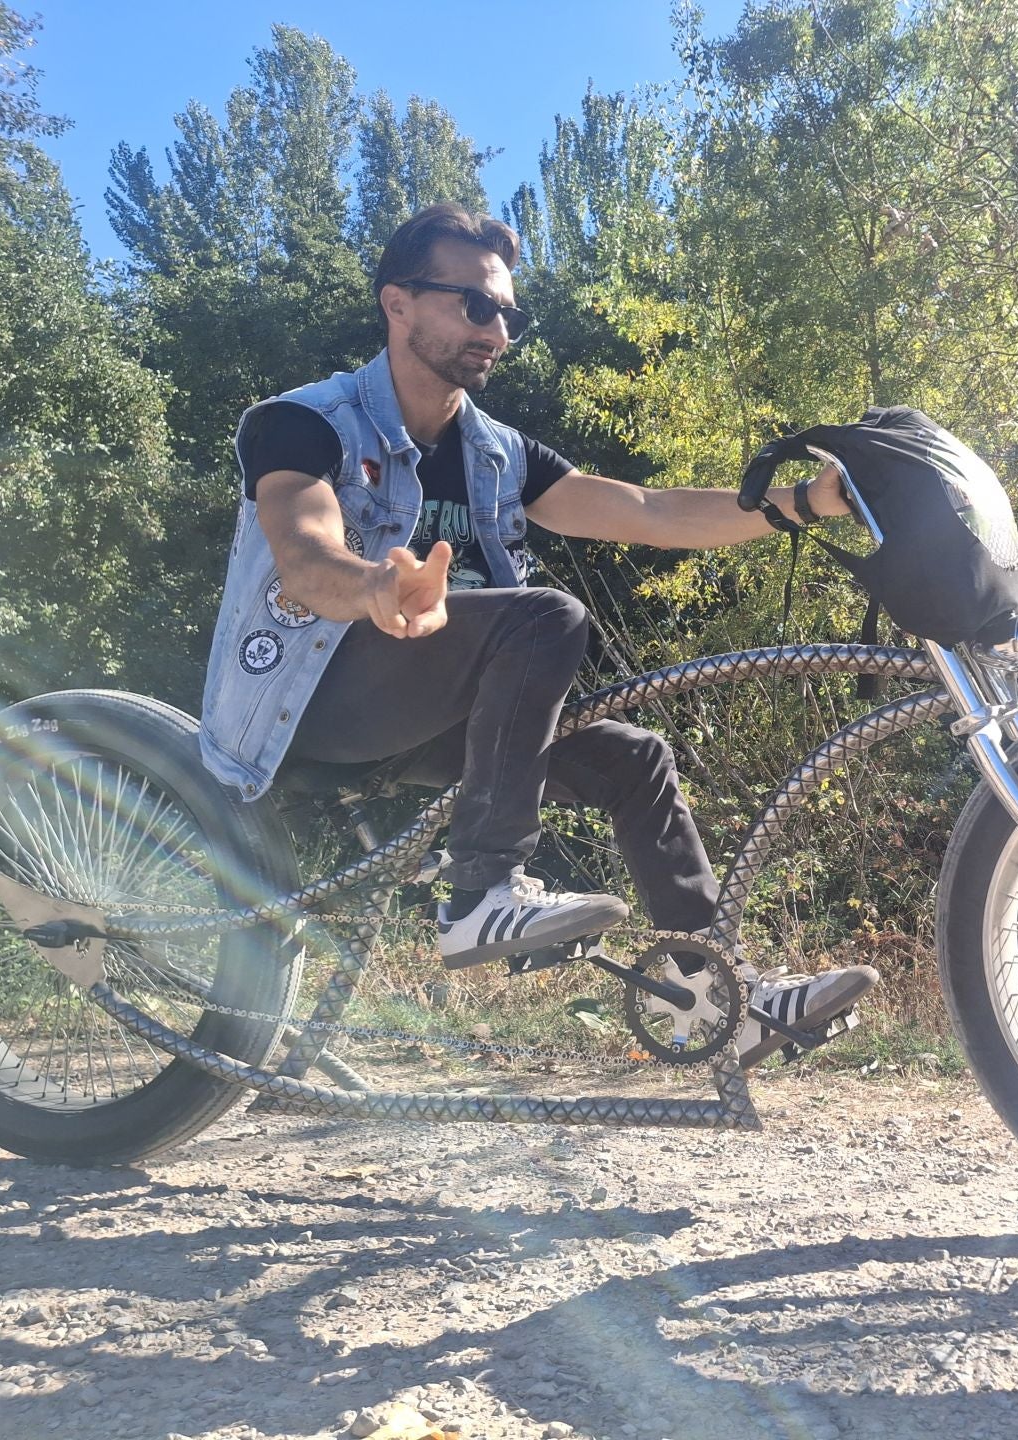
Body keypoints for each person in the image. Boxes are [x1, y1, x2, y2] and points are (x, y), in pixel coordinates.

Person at [198, 203, 875, 1064]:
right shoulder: (303, 423)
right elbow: (302, 553)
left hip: (438, 719)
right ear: (397, 303)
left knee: (636, 758)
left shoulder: (497, 453)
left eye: (508, 313)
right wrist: (377, 587)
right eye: (474, 306)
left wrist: (806, 503)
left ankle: (719, 1001)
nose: (497, 331)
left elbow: (652, 512)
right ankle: (479, 894)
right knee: (545, 615)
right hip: (310, 708)